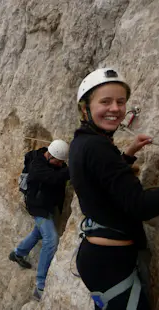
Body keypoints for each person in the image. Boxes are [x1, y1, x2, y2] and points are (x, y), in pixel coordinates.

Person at [70, 68, 159, 309]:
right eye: (105, 101)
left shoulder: (83, 141)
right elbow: (138, 206)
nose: (116, 109)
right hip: (110, 262)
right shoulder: (97, 147)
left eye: (121, 102)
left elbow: (104, 180)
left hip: (100, 258)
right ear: (85, 107)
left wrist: (129, 154)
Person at [9, 140, 70, 301]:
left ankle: (18, 253)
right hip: (37, 207)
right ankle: (40, 285)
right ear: (50, 156)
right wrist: (73, 170)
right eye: (59, 161)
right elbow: (53, 178)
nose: (61, 164)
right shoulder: (37, 166)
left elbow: (59, 174)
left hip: (46, 206)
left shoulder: (53, 161)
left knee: (38, 233)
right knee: (51, 239)